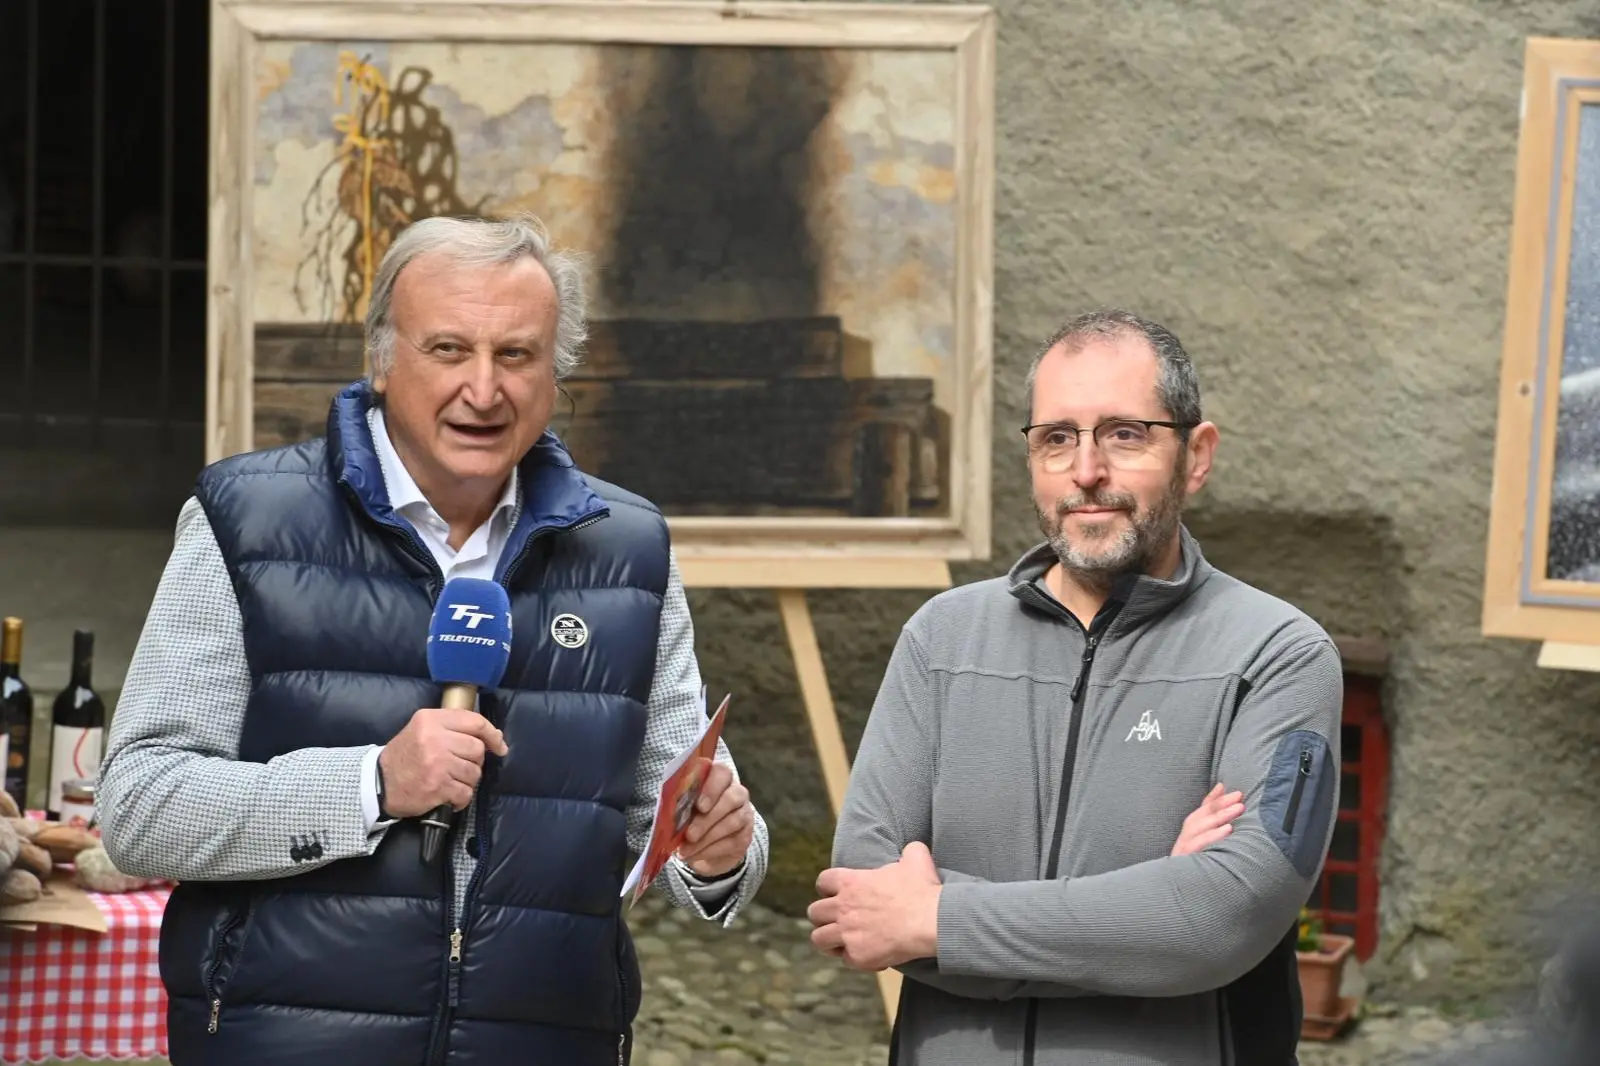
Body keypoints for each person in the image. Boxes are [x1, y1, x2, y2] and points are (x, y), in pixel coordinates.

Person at [97, 214, 769, 1066]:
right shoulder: (247, 521)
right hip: (294, 1044)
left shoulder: (627, 551)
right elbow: (141, 809)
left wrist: (721, 852)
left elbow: (682, 817)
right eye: (449, 349)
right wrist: (371, 784)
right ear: (382, 360)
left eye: (516, 354)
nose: (484, 390)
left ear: (554, 375)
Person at [808, 309, 1343, 1065]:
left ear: (1196, 456)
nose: (1086, 470)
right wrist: (1146, 907)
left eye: (1125, 434)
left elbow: (1218, 921)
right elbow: (863, 900)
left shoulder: (1279, 654)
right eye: (1057, 438)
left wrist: (935, 920)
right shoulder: (942, 640)